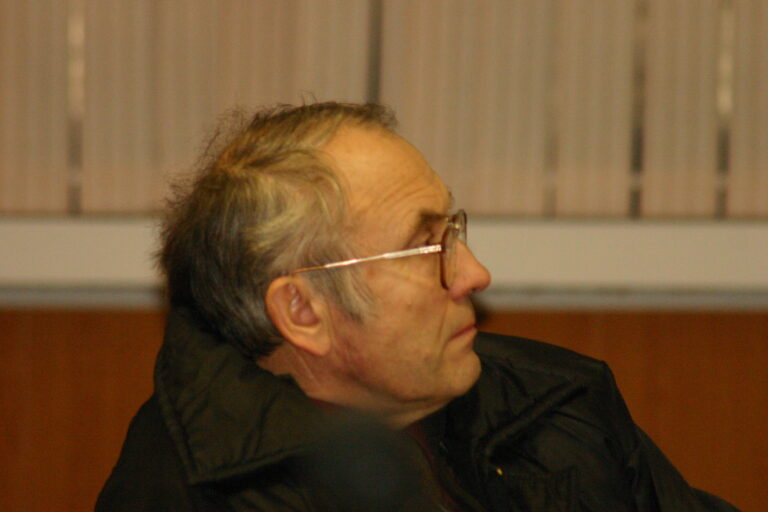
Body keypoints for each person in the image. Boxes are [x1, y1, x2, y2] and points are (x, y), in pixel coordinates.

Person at [97, 102, 738, 511]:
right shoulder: (188, 494)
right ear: (303, 312)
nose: (475, 274)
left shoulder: (555, 401)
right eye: (425, 247)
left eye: (452, 232)